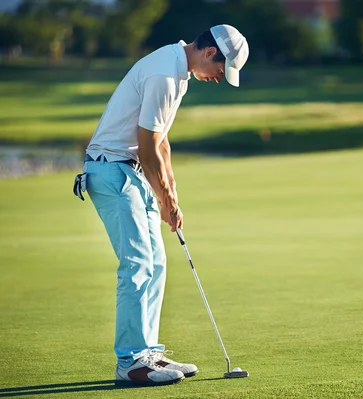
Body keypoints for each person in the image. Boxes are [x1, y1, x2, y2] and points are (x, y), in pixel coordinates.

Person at [73, 25, 249, 385]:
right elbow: (147, 144)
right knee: (137, 264)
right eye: (220, 70)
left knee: (155, 261)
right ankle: (131, 362)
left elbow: (162, 142)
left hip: (132, 172)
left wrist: (171, 197)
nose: (218, 78)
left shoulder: (178, 72)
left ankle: (148, 352)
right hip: (112, 171)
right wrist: (164, 196)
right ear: (211, 52)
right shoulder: (163, 73)